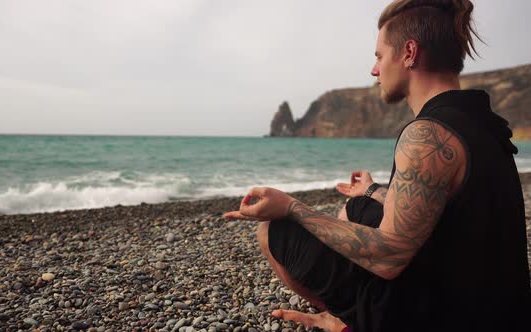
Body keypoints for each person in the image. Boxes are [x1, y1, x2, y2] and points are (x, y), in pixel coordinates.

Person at [224, 0, 531, 331]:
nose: (374, 71)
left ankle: (345, 321)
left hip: (445, 317)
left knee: (272, 231)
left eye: (379, 56)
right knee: (359, 206)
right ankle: (349, 311)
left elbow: (390, 258)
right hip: (494, 302)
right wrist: (371, 191)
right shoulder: (479, 120)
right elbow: (446, 210)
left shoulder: (428, 135)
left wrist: (292, 208)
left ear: (409, 52)